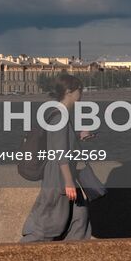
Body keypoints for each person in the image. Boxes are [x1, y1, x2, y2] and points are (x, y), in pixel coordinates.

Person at [21, 73, 94, 243]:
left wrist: (77, 135)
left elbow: (56, 141)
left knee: (80, 219)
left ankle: (71, 260)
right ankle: (19, 253)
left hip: (63, 173)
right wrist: (68, 182)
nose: (81, 94)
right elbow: (60, 152)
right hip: (59, 176)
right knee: (48, 224)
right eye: (79, 90)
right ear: (69, 91)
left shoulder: (59, 115)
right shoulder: (60, 117)